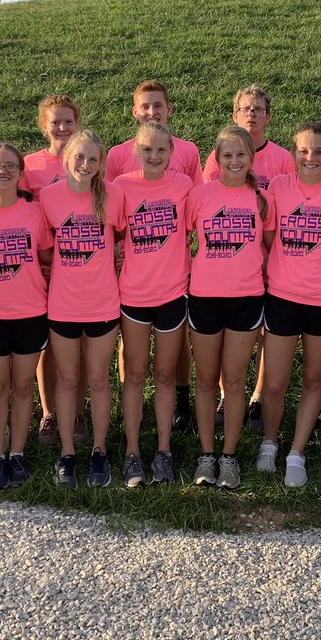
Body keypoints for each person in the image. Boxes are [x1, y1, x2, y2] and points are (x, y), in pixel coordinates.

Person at [256, 121, 321, 487]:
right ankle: (270, 440)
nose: (310, 157)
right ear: (293, 152)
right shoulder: (279, 187)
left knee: (314, 379)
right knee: (274, 382)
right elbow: (269, 236)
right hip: (282, 295)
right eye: (303, 150)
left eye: (319, 151)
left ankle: (297, 450)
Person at [105, 80, 201, 431]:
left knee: (175, 344)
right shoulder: (118, 156)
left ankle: (180, 401)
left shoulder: (187, 151)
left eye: (157, 105)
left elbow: (194, 208)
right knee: (129, 346)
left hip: (171, 271)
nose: (151, 111)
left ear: (169, 108)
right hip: (133, 271)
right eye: (145, 106)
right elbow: (113, 212)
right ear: (135, 111)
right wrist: (115, 253)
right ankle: (129, 402)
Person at [186, 126, 274, 488]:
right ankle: (207, 454)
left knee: (234, 381)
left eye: (241, 155)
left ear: (251, 158)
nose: (234, 161)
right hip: (205, 295)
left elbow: (269, 245)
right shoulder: (199, 196)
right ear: (216, 160)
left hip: (246, 297)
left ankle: (230, 456)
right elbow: (184, 237)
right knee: (206, 381)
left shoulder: (262, 199)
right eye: (227, 155)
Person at [202, 84, 294, 429]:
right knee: (237, 334)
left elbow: (283, 208)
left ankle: (256, 396)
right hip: (232, 261)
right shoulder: (218, 156)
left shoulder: (282, 157)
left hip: (273, 257)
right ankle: (229, 395)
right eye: (245, 109)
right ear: (234, 114)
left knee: (268, 333)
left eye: (258, 109)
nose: (251, 114)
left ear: (267, 117)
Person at [38, 130, 126, 488]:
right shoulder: (48, 197)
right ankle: (67, 453)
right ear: (66, 158)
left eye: (92, 159)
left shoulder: (114, 195)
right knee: (68, 379)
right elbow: (44, 246)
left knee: (98, 380)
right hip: (63, 304)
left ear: (100, 162)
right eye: (79, 158)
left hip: (103, 302)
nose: (85, 165)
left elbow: (119, 238)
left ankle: (100, 451)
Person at [0, 142, 53, 490]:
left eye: (9, 166)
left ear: (21, 173)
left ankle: (17, 453)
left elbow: (47, 254)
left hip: (31, 310)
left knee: (22, 386)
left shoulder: (35, 212)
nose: (2, 171)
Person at [114, 121, 193, 486]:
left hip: (173, 294)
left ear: (172, 152)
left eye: (161, 149)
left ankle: (164, 451)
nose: (155, 156)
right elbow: (110, 230)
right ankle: (132, 452)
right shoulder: (122, 186)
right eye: (148, 149)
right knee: (134, 375)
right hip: (133, 296)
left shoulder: (184, 185)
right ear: (137, 151)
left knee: (164, 375)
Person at [24, 94, 82, 446]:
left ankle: (76, 411)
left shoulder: (86, 160)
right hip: (40, 267)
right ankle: (48, 413)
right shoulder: (30, 166)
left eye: (68, 122)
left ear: (78, 124)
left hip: (80, 269)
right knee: (48, 346)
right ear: (43, 125)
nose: (62, 128)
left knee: (80, 348)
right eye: (55, 122)